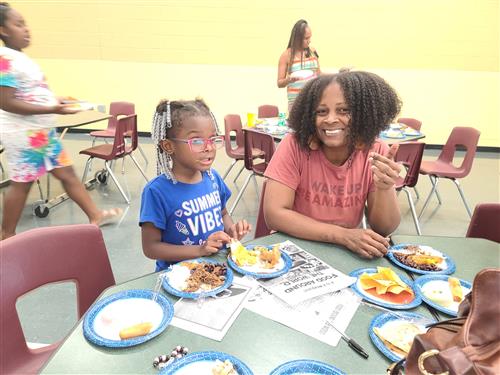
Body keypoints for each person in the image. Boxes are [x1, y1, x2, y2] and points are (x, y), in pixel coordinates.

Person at [0, 2, 121, 240]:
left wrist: (58, 99)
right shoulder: (6, 59)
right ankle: (6, 234)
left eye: (25, 23)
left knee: (67, 174)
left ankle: (95, 214)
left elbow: (29, 91)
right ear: (3, 30)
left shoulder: (19, 58)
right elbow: (6, 101)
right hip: (24, 133)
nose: (26, 29)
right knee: (22, 183)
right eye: (18, 24)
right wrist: (52, 107)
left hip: (40, 132)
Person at [264, 71, 402, 259]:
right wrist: (343, 236)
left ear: (364, 114)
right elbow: (274, 214)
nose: (330, 119)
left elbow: (384, 228)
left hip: (347, 253)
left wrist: (385, 188)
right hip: (295, 246)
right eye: (321, 111)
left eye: (344, 110)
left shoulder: (375, 151)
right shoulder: (295, 145)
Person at [140, 99, 251, 272]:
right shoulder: (156, 192)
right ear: (169, 146)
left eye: (213, 138)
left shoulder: (213, 178)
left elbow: (222, 213)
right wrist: (199, 250)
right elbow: (151, 248)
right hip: (180, 276)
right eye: (197, 141)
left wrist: (232, 231)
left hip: (217, 269)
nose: (209, 148)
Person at [277, 19, 321, 112]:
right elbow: (279, 83)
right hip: (296, 104)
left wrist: (338, 74)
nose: (309, 41)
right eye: (306, 38)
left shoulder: (313, 51)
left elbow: (319, 74)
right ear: (297, 38)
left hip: (314, 101)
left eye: (310, 37)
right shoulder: (286, 55)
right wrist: (288, 80)